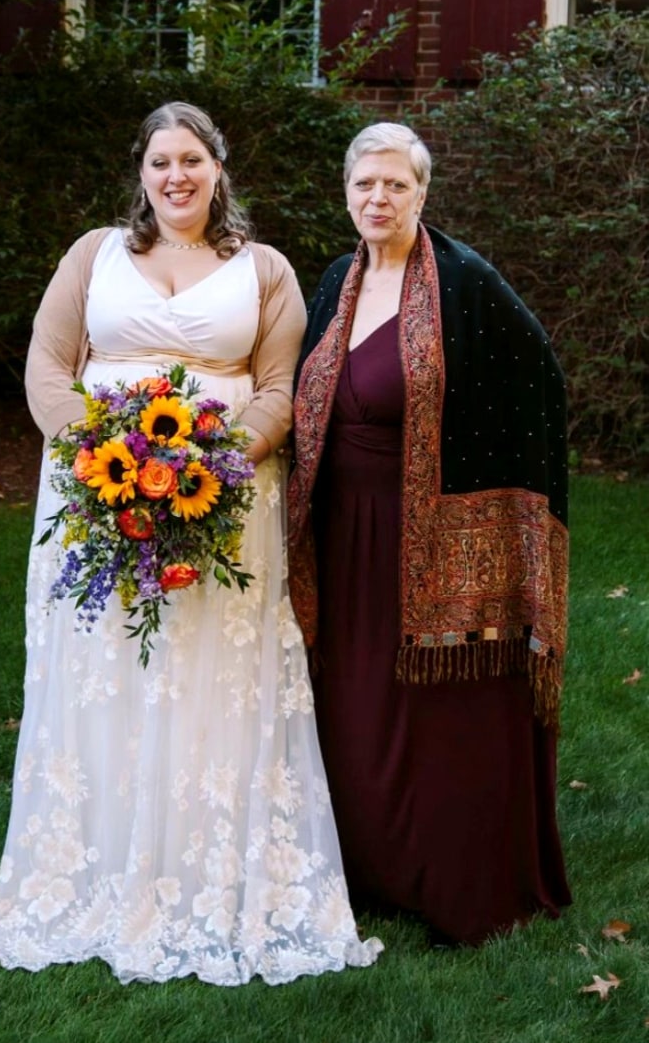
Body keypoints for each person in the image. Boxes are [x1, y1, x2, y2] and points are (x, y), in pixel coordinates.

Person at [0, 102, 383, 984]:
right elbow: (48, 368)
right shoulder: (94, 256)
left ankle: (205, 869)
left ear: (218, 169)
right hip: (93, 489)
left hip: (224, 499)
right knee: (108, 673)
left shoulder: (265, 270)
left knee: (207, 677)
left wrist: (216, 457)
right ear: (141, 171)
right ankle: (95, 865)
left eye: (193, 161)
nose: (177, 176)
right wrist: (96, 456)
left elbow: (280, 388)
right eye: (162, 161)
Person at [287, 122, 571, 946]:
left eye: (395, 186)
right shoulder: (337, 279)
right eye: (364, 185)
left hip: (430, 535)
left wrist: (498, 512)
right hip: (341, 534)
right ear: (346, 192)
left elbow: (539, 375)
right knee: (355, 705)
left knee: (436, 716)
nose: (378, 199)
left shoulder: (464, 282)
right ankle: (369, 872)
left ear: (423, 193)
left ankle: (455, 881)